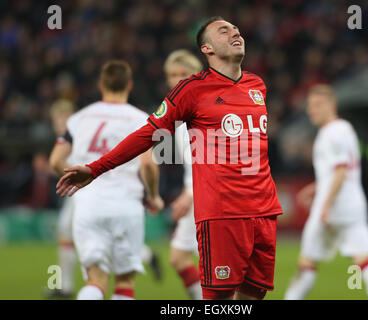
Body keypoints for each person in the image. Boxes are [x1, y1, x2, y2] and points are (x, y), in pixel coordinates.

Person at [56, 17, 283, 300]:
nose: (235, 33)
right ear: (207, 49)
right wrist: (95, 168)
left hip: (264, 210)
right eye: (224, 31)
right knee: (219, 299)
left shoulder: (257, 85)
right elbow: (149, 133)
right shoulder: (192, 90)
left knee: (253, 295)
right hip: (222, 214)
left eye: (236, 30)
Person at [50, 60, 164, 300]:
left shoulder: (79, 118)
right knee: (124, 283)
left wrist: (75, 178)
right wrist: (154, 196)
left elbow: (55, 160)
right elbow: (147, 164)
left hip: (88, 205)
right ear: (129, 85)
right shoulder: (142, 119)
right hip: (126, 204)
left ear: (101, 84)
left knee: (95, 280)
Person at [284, 84, 368, 300]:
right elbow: (340, 171)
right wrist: (316, 188)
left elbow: (341, 171)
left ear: (331, 105)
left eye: (317, 105)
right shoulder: (344, 129)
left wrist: (324, 204)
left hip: (334, 207)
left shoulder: (332, 133)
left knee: (306, 263)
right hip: (352, 206)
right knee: (364, 259)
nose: (311, 110)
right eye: (310, 106)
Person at [163, 49, 203, 299]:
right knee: (178, 258)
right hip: (196, 195)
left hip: (211, 197)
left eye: (183, 74)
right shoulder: (180, 116)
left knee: (219, 267)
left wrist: (189, 195)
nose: (177, 79)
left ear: (196, 76)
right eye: (172, 74)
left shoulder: (202, 112)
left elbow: (208, 165)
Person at [45, 99, 77, 298]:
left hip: (81, 192)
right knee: (66, 236)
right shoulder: (74, 133)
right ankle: (65, 286)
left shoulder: (72, 135)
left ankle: (66, 286)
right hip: (77, 193)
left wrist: (50, 166)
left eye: (57, 119)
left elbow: (64, 165)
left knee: (71, 236)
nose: (55, 123)